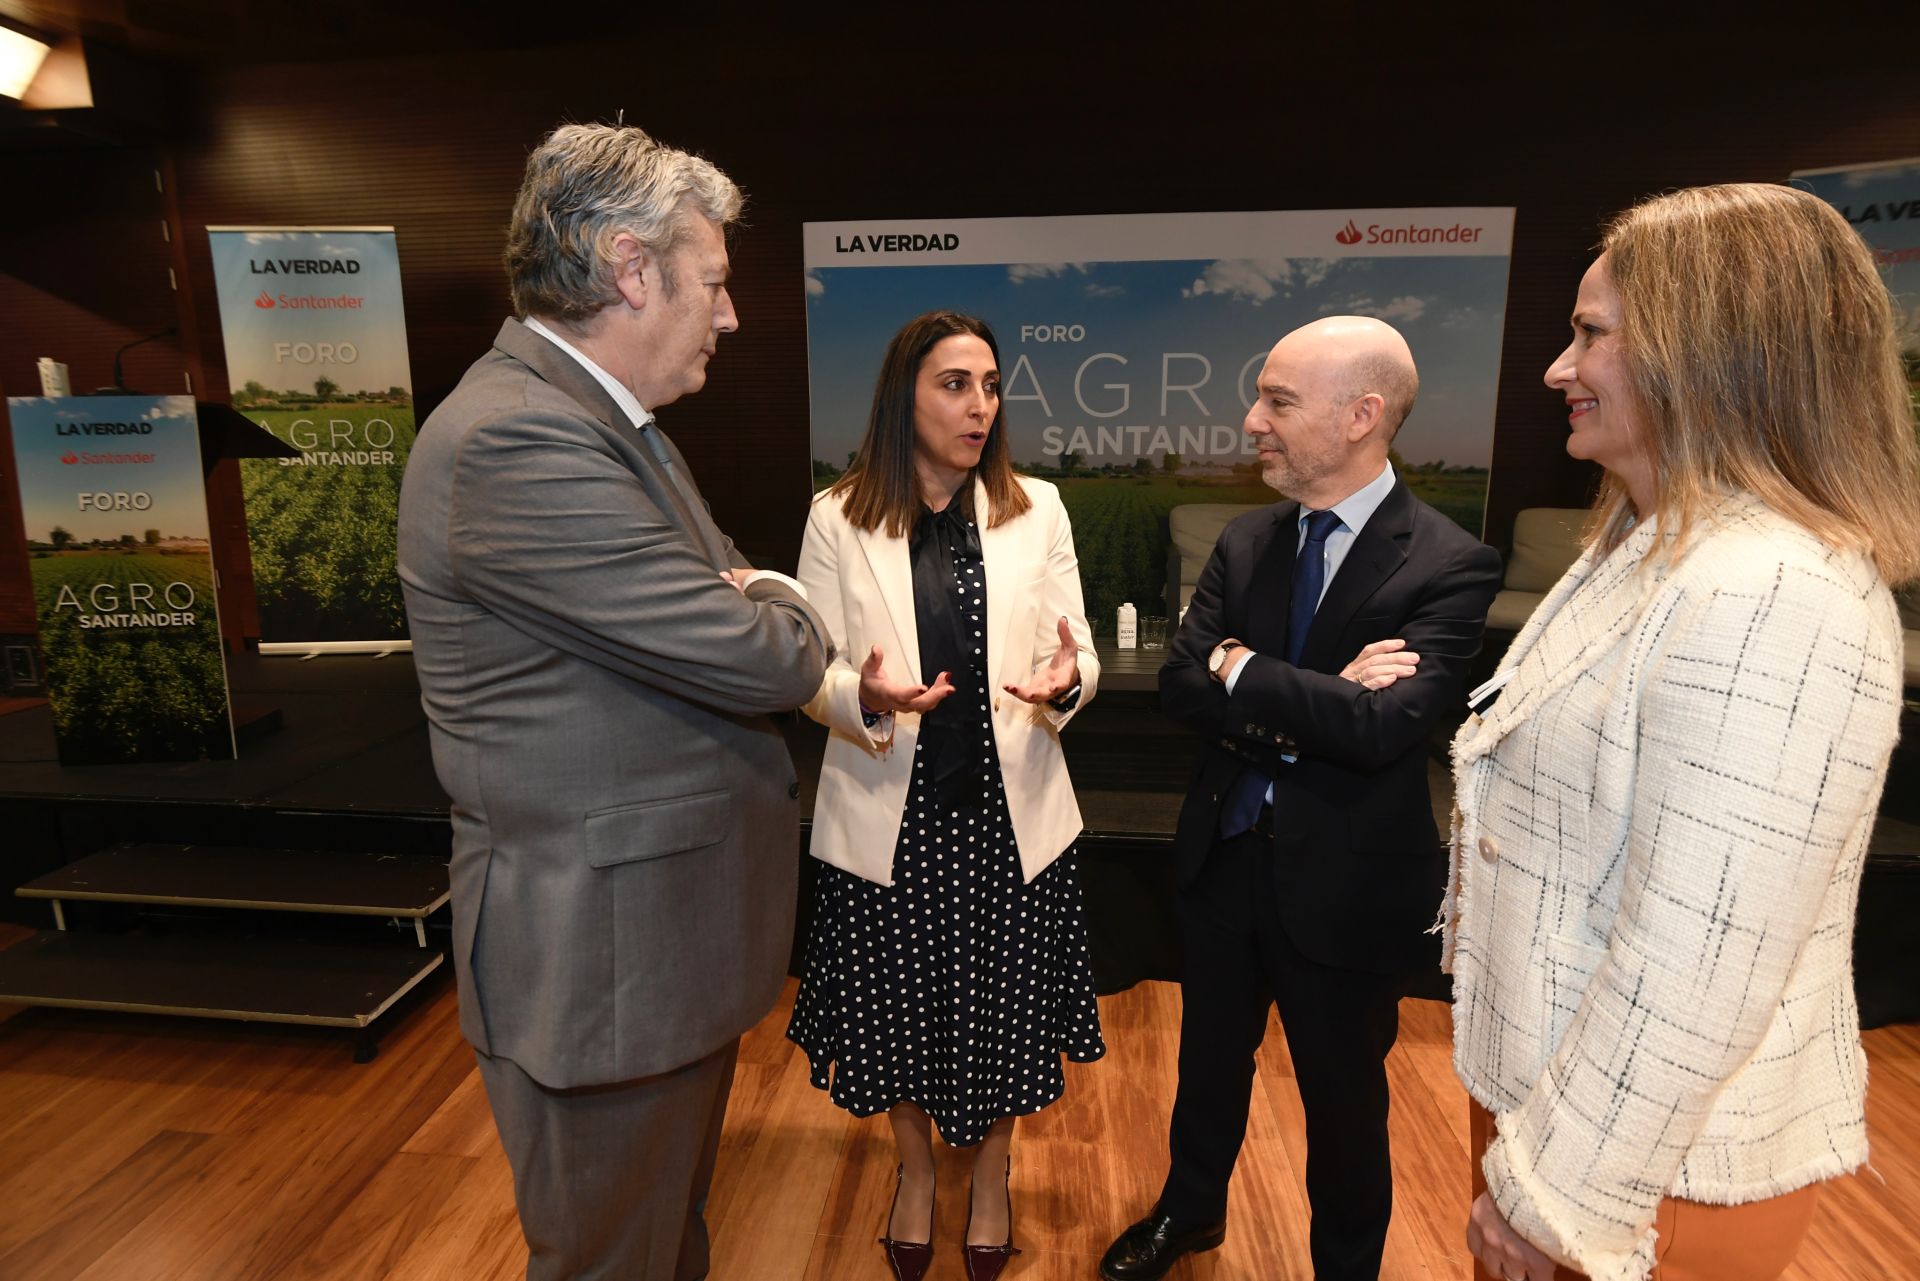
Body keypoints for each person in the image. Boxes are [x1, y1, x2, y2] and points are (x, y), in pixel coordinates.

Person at [1448, 182, 1920, 1281]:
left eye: (1591, 334)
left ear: (1715, 350)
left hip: (1643, 1179)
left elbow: (1698, 958)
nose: (1559, 369)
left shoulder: (1775, 591)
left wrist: (1554, 1195)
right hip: (1556, 1114)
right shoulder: (1651, 548)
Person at [396, 122, 833, 1281]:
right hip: (604, 965)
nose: (729, 315)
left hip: (653, 948)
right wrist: (780, 605)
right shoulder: (519, 440)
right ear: (634, 270)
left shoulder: (606, 422)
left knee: (662, 1242)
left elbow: (730, 592)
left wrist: (749, 600)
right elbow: (770, 654)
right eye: (717, 281)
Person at [1100, 316, 1503, 1281]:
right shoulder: (1246, 540)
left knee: (1344, 1100)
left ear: (1361, 415)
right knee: (1207, 1069)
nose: (1252, 421)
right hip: (1226, 852)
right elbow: (1182, 688)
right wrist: (1304, 691)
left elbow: (1383, 729)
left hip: (1351, 882)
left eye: (1278, 400)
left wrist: (1245, 668)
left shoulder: (1450, 562)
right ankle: (1190, 1214)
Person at [786, 310, 1106, 1281]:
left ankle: (996, 1170)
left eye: (991, 386)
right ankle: (916, 1171)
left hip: (1014, 822)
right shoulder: (835, 515)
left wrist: (1068, 683)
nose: (980, 406)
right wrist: (861, 696)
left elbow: (1077, 650)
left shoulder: (1036, 508)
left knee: (1003, 1014)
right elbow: (808, 673)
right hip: (890, 819)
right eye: (955, 384)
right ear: (904, 396)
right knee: (897, 1015)